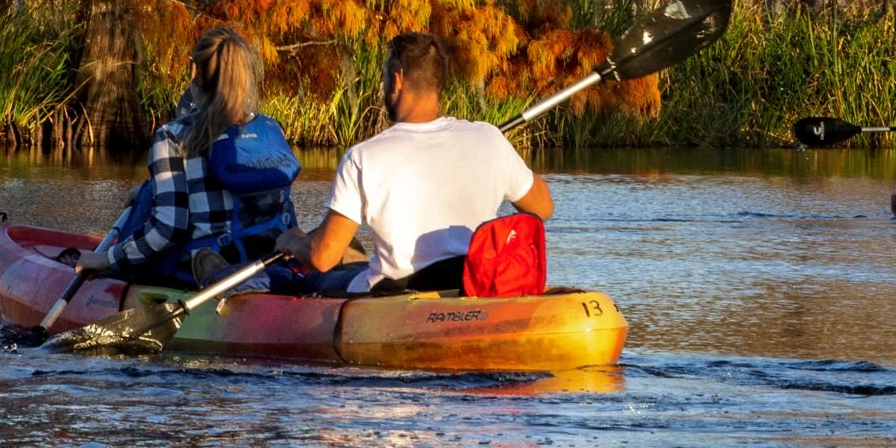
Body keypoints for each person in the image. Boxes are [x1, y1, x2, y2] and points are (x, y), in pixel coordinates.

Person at [274, 30, 552, 297]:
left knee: (304, 275)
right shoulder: (490, 138)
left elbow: (323, 257)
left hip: (399, 291)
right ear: (439, 84)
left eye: (384, 79)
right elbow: (542, 207)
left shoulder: (362, 157)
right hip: (469, 280)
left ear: (396, 81)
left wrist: (293, 242)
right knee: (352, 254)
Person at [77, 27, 299, 288]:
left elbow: (168, 231)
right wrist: (149, 192)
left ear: (194, 70)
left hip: (200, 270)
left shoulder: (172, 136)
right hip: (269, 261)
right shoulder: (272, 129)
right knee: (149, 192)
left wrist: (106, 258)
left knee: (143, 248)